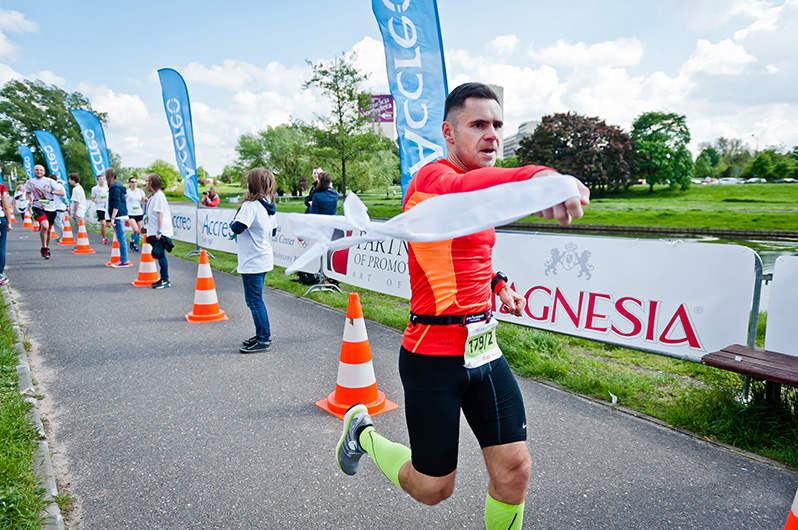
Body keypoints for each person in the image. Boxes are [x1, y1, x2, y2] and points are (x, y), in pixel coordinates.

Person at [335, 83, 590, 530]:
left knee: (515, 470)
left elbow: (461, 253)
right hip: (433, 354)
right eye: (478, 125)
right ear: (449, 133)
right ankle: (363, 434)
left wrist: (496, 282)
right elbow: (465, 187)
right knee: (434, 488)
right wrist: (537, 178)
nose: (491, 135)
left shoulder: (474, 195)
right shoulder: (433, 181)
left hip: (484, 350)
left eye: (497, 125)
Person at [230, 168, 277, 354]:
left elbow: (238, 227)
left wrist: (232, 223)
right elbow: (273, 231)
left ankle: (263, 338)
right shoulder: (269, 204)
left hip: (252, 260)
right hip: (262, 257)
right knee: (255, 299)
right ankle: (261, 334)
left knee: (254, 301)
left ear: (253, 184)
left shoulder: (250, 206)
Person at [25, 164, 65, 259]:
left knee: (49, 229)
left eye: (41, 170)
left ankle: (47, 248)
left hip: (51, 207)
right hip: (38, 206)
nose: (39, 171)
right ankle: (44, 247)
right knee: (44, 226)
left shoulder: (50, 181)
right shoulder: (30, 182)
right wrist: (28, 203)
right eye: (37, 170)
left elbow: (61, 193)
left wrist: (50, 192)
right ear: (33, 171)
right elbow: (27, 193)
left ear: (44, 172)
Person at [144, 173, 173, 289]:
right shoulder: (155, 196)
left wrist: (159, 231)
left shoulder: (159, 196)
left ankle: (165, 280)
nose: (146, 183)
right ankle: (163, 278)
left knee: (160, 255)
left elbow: (160, 214)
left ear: (151, 183)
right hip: (154, 231)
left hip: (159, 232)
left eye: (147, 181)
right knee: (159, 255)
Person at [105, 168, 131, 268]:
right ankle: (123, 259)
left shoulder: (115, 188)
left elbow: (116, 203)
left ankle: (124, 260)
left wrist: (112, 217)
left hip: (118, 215)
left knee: (121, 238)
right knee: (121, 237)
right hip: (121, 214)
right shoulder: (118, 186)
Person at [126, 177, 146, 251]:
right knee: (135, 230)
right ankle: (131, 241)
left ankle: (135, 245)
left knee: (139, 231)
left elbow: (143, 199)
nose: (134, 183)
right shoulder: (127, 191)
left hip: (139, 213)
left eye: (135, 182)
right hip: (130, 213)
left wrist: (145, 200)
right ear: (129, 183)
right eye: (132, 182)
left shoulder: (140, 191)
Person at [91, 173, 109, 244]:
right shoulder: (95, 188)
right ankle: (104, 238)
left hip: (107, 207)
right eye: (100, 179)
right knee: (103, 223)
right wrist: (94, 200)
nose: (102, 181)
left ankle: (104, 232)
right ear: (98, 180)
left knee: (109, 224)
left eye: (103, 179)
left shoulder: (108, 187)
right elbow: (92, 197)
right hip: (99, 207)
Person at [0, 179, 12, 284]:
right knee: (1, 245)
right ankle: (0, 273)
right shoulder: (1, 188)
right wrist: (9, 222)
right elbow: (6, 207)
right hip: (0, 218)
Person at [52, 178, 68, 243]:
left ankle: (65, 235)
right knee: (61, 221)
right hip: (60, 206)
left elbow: (62, 197)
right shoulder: (61, 186)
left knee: (58, 221)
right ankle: (63, 235)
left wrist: (67, 204)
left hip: (59, 206)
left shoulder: (58, 186)